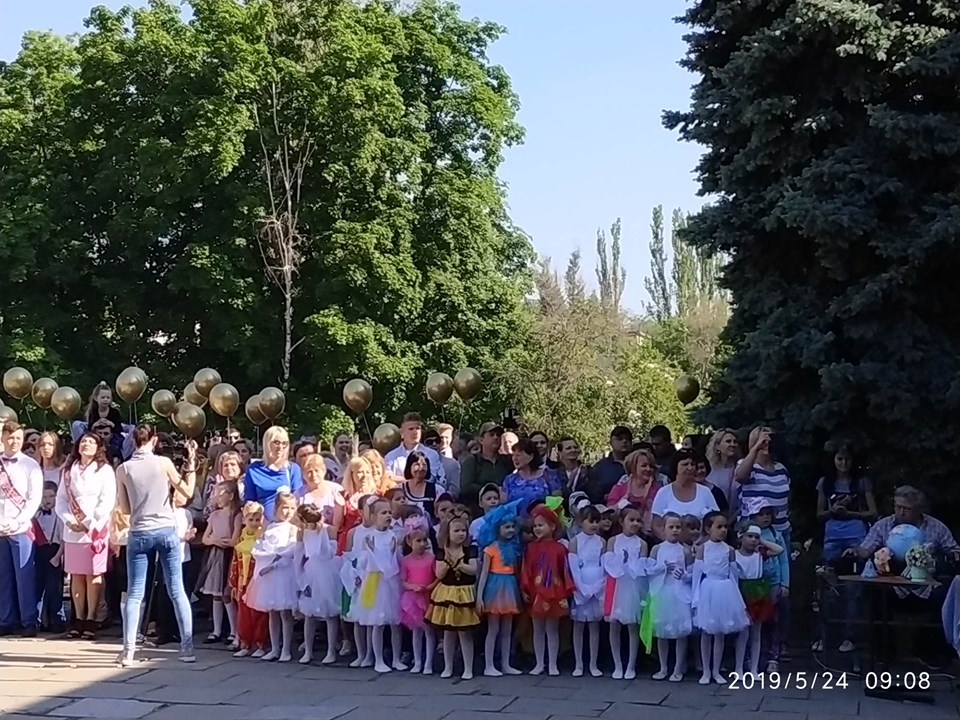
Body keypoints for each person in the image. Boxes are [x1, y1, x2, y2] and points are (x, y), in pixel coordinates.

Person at [115, 423, 198, 665]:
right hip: (165, 529)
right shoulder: (163, 463)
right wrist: (191, 464)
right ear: (153, 441)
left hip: (139, 531)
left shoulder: (123, 468)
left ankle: (128, 651)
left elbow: (125, 508)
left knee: (135, 593)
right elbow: (186, 491)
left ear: (133, 441)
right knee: (177, 590)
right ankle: (187, 648)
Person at [814, 442, 876, 654]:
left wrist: (851, 513)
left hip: (856, 535)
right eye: (839, 459)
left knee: (854, 588)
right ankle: (824, 636)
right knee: (827, 585)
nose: (843, 463)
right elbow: (819, 514)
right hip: (832, 536)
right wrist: (833, 510)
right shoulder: (825, 482)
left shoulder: (861, 482)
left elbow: (872, 512)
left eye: (847, 459)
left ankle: (850, 636)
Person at [56, 431, 116, 640]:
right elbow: (61, 500)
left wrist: (88, 522)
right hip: (72, 530)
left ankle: (91, 618)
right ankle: (78, 618)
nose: (86, 444)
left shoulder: (104, 470)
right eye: (83, 441)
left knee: (93, 574)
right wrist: (69, 520)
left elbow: (107, 500)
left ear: (98, 447)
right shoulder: (68, 470)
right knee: (76, 575)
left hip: (95, 529)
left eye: (91, 442)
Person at [692, 512, 749, 685]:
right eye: (719, 527)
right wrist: (695, 599)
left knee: (720, 634)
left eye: (725, 527)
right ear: (708, 529)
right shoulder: (703, 548)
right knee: (706, 632)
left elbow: (734, 575)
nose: (723, 530)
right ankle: (706, 671)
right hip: (708, 590)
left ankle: (716, 670)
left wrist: (737, 600)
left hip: (725, 590)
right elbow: (696, 576)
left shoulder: (729, 550)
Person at [243, 491, 299, 662]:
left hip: (284, 573)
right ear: (276, 508)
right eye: (285, 507)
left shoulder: (292, 528)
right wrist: (264, 559)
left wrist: (275, 561)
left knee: (285, 613)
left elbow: (290, 550)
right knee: (273, 613)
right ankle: (274, 648)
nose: (288, 512)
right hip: (269, 575)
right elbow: (259, 546)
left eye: (292, 508)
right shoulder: (268, 527)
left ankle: (286, 649)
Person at [0, 422, 44, 637]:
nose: (14, 441)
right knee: (3, 578)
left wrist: (18, 521)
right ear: (2, 438)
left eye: (18, 438)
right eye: (10, 437)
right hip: (0, 527)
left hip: (21, 527)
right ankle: (5, 620)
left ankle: (29, 621)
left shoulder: (30, 465)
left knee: (24, 576)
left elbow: (34, 498)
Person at [352, 498, 404, 674]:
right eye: (383, 513)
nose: (388, 515)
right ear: (373, 516)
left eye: (389, 512)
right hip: (375, 581)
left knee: (395, 622)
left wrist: (391, 552)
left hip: (391, 581)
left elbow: (393, 562)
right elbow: (366, 561)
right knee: (377, 622)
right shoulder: (369, 538)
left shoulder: (393, 537)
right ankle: (378, 659)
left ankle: (396, 658)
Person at [425, 516, 479, 680]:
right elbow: (439, 574)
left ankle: (468, 668)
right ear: (447, 533)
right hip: (447, 593)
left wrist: (460, 564)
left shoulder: (470, 550)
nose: (461, 534)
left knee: (465, 633)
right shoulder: (442, 551)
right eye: (456, 531)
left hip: (464, 593)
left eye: (463, 530)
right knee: (448, 632)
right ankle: (448, 666)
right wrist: (448, 562)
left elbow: (473, 570)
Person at [476, 499, 524, 677]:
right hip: (495, 589)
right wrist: (480, 597)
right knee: (493, 629)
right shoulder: (490, 549)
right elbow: (484, 574)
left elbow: (516, 571)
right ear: (497, 529)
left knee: (507, 629)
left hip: (510, 587)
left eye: (512, 526)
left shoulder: (514, 548)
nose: (510, 530)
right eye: (506, 527)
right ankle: (489, 665)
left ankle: (505, 664)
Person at [847, 485, 960, 561]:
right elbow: (866, 549)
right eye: (898, 507)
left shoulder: (937, 527)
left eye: (907, 509)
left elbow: (954, 551)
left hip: (928, 581)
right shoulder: (882, 526)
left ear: (919, 509)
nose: (901, 512)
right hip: (890, 580)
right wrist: (855, 551)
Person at [647, 512, 693, 682]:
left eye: (678, 527)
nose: (674, 530)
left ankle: (678, 667)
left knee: (680, 632)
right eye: (671, 527)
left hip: (679, 593)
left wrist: (685, 576)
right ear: (663, 528)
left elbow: (692, 573)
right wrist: (661, 568)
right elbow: (649, 570)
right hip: (662, 591)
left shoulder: (685, 551)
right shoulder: (657, 549)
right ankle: (663, 667)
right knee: (661, 631)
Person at [734, 523, 784, 679]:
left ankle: (754, 669)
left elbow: (779, 550)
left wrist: (762, 541)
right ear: (741, 537)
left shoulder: (760, 554)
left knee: (756, 633)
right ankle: (738, 667)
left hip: (758, 593)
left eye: (756, 537)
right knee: (743, 634)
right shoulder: (734, 555)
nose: (753, 540)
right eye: (750, 536)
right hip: (742, 591)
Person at [603, 506, 648, 680]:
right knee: (614, 625)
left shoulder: (642, 544)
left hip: (632, 586)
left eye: (638, 520)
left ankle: (631, 665)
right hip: (616, 585)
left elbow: (641, 568)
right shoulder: (613, 541)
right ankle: (617, 664)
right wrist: (620, 562)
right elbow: (608, 564)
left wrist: (631, 564)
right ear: (622, 522)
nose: (635, 523)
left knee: (632, 626)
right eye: (631, 520)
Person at [296, 503, 342, 665]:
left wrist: (322, 532)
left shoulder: (329, 530)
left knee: (330, 613)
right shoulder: (301, 533)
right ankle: (308, 650)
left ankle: (331, 651)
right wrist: (301, 581)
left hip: (327, 571)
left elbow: (329, 553)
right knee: (309, 614)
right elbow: (298, 558)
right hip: (311, 572)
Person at [196, 482, 241, 646]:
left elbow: (234, 540)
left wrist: (220, 541)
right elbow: (205, 538)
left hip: (228, 556)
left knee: (227, 593)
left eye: (221, 494)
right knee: (216, 594)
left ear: (231, 496)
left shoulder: (236, 515)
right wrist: (215, 540)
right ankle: (216, 630)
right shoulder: (214, 515)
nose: (217, 497)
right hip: (215, 555)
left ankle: (234, 631)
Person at [735, 426, 792, 549]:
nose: (767, 444)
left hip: (780, 530)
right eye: (763, 441)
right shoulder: (747, 465)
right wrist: (756, 447)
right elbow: (740, 476)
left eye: (770, 440)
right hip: (754, 532)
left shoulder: (781, 468)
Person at [567, 505, 605, 678]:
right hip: (580, 588)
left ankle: (593, 663)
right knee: (578, 627)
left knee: (594, 627)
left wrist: (596, 588)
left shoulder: (602, 542)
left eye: (597, 521)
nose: (594, 525)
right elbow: (573, 568)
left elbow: (604, 568)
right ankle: (578, 663)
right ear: (581, 522)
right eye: (591, 521)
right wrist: (582, 589)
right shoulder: (575, 542)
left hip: (596, 588)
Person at [651, 448, 719, 540]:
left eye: (692, 464)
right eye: (685, 464)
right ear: (676, 467)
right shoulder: (663, 492)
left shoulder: (705, 491)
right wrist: (671, 542)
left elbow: (716, 520)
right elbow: (656, 526)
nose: (690, 468)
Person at [230, 501, 268, 657]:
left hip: (257, 581)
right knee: (243, 614)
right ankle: (245, 643)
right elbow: (235, 561)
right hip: (242, 582)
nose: (254, 523)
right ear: (244, 519)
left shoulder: (263, 538)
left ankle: (260, 644)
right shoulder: (241, 537)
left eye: (257, 519)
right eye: (250, 519)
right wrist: (233, 583)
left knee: (259, 613)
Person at [400, 515, 436, 675]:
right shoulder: (406, 560)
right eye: (418, 541)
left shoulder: (431, 558)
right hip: (413, 600)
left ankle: (428, 663)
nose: (422, 544)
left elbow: (437, 577)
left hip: (428, 598)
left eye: (424, 540)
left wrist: (429, 587)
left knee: (429, 631)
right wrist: (413, 587)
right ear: (409, 542)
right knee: (416, 631)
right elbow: (403, 581)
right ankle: (418, 661)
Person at [243, 426, 304, 521]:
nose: (280, 447)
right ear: (267, 443)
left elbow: (297, 498)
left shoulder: (293, 469)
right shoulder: (253, 469)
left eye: (284, 443)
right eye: (276, 442)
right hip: (262, 524)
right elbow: (249, 500)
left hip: (286, 524)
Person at [605, 449, 660, 537]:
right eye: (644, 466)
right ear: (632, 468)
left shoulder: (658, 491)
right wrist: (625, 498)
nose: (648, 469)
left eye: (651, 466)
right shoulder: (618, 489)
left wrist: (645, 500)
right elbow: (610, 517)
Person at [33, 481, 65, 632]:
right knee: (38, 587)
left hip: (54, 552)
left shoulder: (59, 516)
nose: (47, 500)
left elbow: (63, 539)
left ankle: (57, 619)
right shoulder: (37, 515)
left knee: (54, 588)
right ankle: (39, 620)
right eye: (44, 497)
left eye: (51, 496)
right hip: (39, 552)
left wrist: (58, 557)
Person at [459, 422, 512, 508]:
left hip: (504, 509)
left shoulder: (506, 461)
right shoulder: (472, 460)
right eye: (491, 435)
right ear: (481, 439)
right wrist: (491, 490)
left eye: (498, 435)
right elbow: (466, 487)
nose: (496, 437)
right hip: (478, 509)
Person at [385, 413, 445, 487]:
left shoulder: (431, 454)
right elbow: (388, 478)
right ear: (402, 432)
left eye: (418, 428)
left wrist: (401, 480)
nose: (415, 432)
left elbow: (431, 478)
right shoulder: (391, 456)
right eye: (411, 429)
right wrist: (413, 481)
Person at [501, 438, 560, 512]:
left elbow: (557, 502)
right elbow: (504, 507)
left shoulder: (549, 475)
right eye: (513, 455)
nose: (515, 459)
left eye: (518, 455)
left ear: (531, 456)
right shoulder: (509, 480)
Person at [587, 426, 633, 503]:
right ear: (611, 442)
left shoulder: (641, 464)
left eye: (628, 439)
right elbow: (594, 495)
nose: (624, 441)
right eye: (620, 439)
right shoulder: (600, 467)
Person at [298, 454, 344, 527]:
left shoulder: (336, 490)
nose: (314, 475)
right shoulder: (299, 494)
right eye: (309, 472)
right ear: (303, 475)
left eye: (316, 470)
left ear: (324, 470)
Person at [705, 429, 740, 508]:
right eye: (728, 441)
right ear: (717, 446)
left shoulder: (740, 467)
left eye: (735, 442)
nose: (733, 444)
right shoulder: (709, 469)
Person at [401, 452, 439, 522]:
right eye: (417, 464)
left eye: (424, 465)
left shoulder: (437, 490)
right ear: (409, 467)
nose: (421, 468)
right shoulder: (399, 489)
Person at [423, 429, 460, 499]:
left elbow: (454, 490)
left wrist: (442, 499)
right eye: (429, 442)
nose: (434, 444)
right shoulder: (418, 465)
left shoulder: (452, 464)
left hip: (445, 501)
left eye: (437, 441)